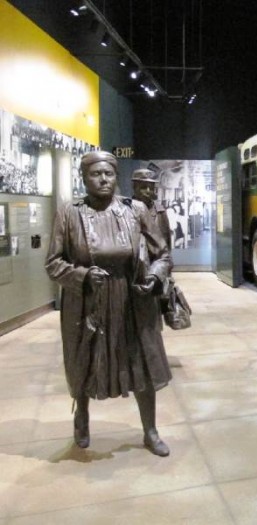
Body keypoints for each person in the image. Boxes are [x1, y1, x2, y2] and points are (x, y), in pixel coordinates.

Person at [45, 151, 173, 457]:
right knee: (85, 360)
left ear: (116, 177)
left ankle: (150, 430)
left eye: (109, 174)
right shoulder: (69, 213)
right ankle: (82, 416)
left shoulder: (136, 210)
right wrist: (83, 275)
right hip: (88, 300)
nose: (103, 179)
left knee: (140, 359)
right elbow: (53, 263)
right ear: (84, 178)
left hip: (131, 298)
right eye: (95, 174)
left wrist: (155, 277)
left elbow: (162, 254)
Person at [131, 168, 171, 251]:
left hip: (155, 260)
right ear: (134, 187)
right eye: (143, 187)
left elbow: (166, 240)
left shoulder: (160, 212)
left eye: (151, 188)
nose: (148, 191)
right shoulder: (126, 210)